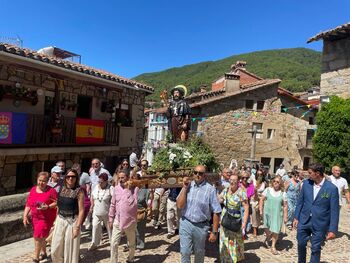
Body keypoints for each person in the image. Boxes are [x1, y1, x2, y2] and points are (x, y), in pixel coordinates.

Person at [293, 163, 339, 263]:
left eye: (310, 173)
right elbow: (300, 202)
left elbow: (334, 211)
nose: (308, 175)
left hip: (320, 223)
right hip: (304, 220)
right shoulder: (306, 184)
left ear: (317, 173)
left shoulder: (332, 189)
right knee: (301, 244)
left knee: (316, 248)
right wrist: (296, 217)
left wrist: (332, 230)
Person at [177, 165, 222, 263]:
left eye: (200, 173)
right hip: (186, 222)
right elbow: (180, 206)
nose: (197, 175)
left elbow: (216, 211)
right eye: (195, 172)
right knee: (185, 252)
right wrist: (184, 188)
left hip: (201, 226)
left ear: (204, 175)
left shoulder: (210, 189)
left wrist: (214, 232)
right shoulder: (188, 185)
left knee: (199, 252)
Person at [51, 169, 85, 263]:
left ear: (76, 178)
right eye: (68, 176)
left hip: (72, 221)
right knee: (55, 249)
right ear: (65, 178)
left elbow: (81, 210)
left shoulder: (79, 191)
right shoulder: (62, 189)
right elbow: (59, 204)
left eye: (73, 177)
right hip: (60, 219)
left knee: (69, 250)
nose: (70, 178)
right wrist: (55, 221)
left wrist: (77, 227)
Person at [23, 172, 57, 263]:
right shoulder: (33, 189)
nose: (41, 182)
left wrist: (48, 206)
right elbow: (29, 203)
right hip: (35, 218)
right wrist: (25, 216)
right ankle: (44, 253)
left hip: (46, 218)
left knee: (37, 236)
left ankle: (36, 258)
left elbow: (57, 202)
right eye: (40, 180)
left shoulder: (51, 191)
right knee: (40, 237)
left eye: (44, 181)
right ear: (37, 179)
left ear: (47, 181)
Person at [109, 170, 139, 263]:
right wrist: (110, 218)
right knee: (114, 243)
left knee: (131, 243)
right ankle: (113, 261)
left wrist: (127, 189)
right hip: (117, 220)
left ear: (127, 178)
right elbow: (112, 204)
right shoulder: (116, 188)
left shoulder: (134, 189)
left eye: (123, 177)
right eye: (119, 178)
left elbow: (134, 204)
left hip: (130, 220)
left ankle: (131, 258)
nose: (121, 180)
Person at [218, 173, 249, 262]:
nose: (232, 182)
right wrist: (215, 191)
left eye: (234, 180)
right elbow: (220, 199)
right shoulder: (225, 190)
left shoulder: (241, 191)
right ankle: (225, 259)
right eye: (231, 180)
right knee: (225, 240)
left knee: (236, 242)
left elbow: (246, 207)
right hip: (225, 218)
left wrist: (244, 222)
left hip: (236, 220)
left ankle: (235, 259)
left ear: (238, 181)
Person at [259, 176, 288, 255]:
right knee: (266, 227)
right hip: (267, 213)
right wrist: (261, 210)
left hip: (277, 214)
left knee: (275, 230)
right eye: (274, 181)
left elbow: (285, 206)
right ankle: (268, 237)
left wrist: (285, 217)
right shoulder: (267, 190)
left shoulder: (283, 193)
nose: (275, 182)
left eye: (278, 182)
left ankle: (273, 246)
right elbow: (261, 199)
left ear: (280, 183)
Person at [88, 173, 113, 251]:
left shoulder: (111, 188)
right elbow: (92, 197)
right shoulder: (96, 187)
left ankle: (112, 242)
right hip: (96, 211)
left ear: (106, 181)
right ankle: (94, 243)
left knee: (109, 228)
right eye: (99, 181)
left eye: (101, 182)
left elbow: (113, 200)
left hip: (107, 212)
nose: (100, 183)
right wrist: (91, 206)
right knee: (95, 227)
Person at [250, 169, 266, 239]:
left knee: (259, 215)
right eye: (258, 174)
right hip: (254, 199)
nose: (259, 176)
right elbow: (250, 190)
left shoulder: (264, 183)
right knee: (254, 214)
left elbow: (265, 192)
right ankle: (254, 230)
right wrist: (254, 189)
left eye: (261, 175)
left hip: (261, 200)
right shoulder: (253, 181)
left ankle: (257, 227)